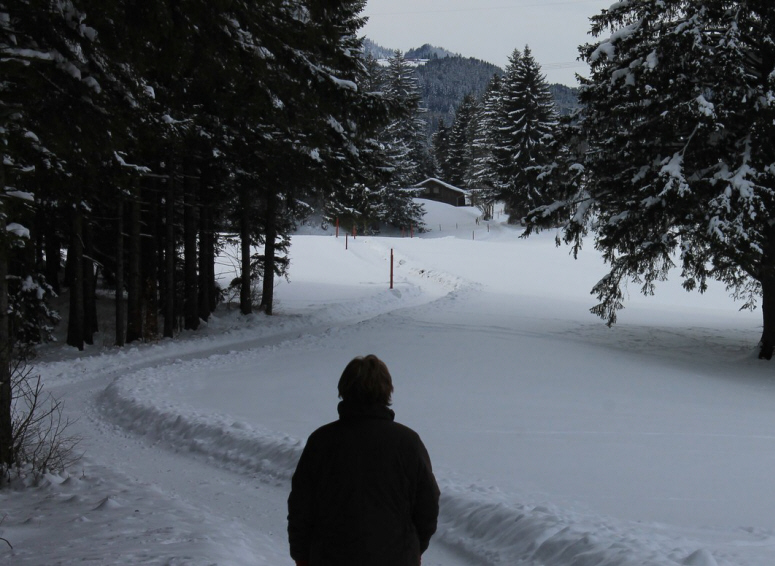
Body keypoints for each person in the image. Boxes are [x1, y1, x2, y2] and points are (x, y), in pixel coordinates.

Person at [287, 354, 440, 566]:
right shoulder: (408, 443)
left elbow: (301, 507)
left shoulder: (322, 441)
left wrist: (301, 555)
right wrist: (413, 547)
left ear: (344, 389)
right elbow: (428, 505)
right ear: (386, 390)